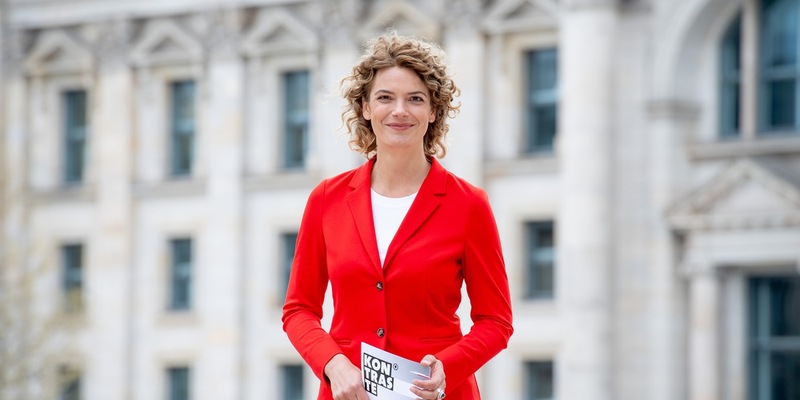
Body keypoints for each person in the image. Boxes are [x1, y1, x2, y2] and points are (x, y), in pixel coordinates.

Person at [282, 33, 514, 400]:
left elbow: (496, 321)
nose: (400, 111)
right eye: (385, 98)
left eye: (415, 99)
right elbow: (298, 310)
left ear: (434, 110)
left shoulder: (469, 204)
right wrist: (333, 364)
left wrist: (448, 366)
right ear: (365, 107)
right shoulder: (327, 199)